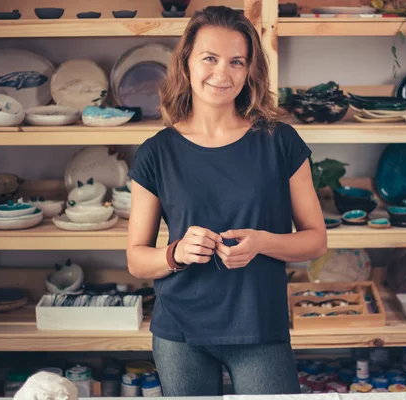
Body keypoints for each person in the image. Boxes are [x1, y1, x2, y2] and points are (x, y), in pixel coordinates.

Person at [126, 5, 326, 396]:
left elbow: (315, 239)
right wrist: (176, 253)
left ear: (250, 70)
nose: (222, 73)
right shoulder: (156, 152)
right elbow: (136, 258)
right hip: (181, 335)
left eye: (236, 61)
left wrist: (264, 242)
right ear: (186, 63)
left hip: (259, 329)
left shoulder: (280, 143)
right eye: (210, 59)